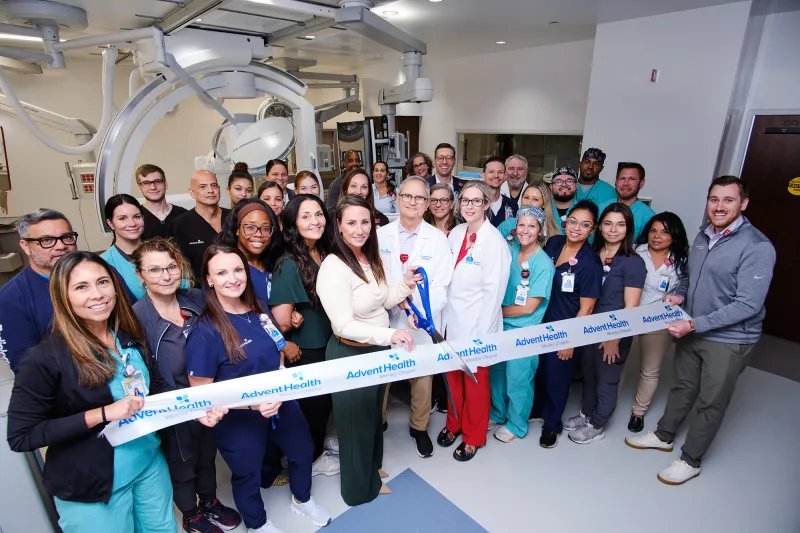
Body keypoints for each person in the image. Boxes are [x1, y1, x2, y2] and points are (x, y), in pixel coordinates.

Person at [6, 251, 200, 533]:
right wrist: (102, 414)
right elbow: (22, 435)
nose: (97, 294)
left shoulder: (129, 333)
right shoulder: (45, 358)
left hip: (148, 464)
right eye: (81, 287)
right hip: (93, 482)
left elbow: (156, 388)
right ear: (63, 296)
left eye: (103, 282)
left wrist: (199, 407)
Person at [626, 176, 776, 486]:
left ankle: (690, 459)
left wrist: (694, 323)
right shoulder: (704, 236)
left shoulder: (757, 246)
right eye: (714, 199)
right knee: (683, 388)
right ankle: (665, 435)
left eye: (728, 200)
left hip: (728, 339)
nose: (719, 207)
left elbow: (748, 305)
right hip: (693, 330)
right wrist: (680, 294)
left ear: (743, 204)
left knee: (711, 401)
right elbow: (688, 279)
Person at [186, 245, 331, 532]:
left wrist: (280, 379)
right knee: (247, 473)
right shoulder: (205, 330)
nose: (233, 278)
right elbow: (201, 394)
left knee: (302, 451)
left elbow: (277, 347)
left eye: (238, 270)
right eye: (222, 272)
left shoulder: (259, 309)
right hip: (238, 416)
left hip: (280, 400)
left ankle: (302, 499)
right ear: (209, 279)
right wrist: (252, 404)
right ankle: (257, 523)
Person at [131, 239, 241, 533]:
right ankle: (191, 515)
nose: (166, 276)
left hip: (207, 396)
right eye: (154, 270)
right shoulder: (135, 318)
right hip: (171, 405)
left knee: (207, 455)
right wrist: (181, 404)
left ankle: (209, 502)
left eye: (171, 267)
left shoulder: (197, 299)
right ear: (140, 275)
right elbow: (139, 373)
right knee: (182, 463)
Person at [316, 195, 420, 506]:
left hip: (375, 353)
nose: (360, 229)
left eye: (365, 222)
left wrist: (405, 284)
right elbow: (344, 325)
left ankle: (372, 474)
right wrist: (392, 334)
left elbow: (383, 299)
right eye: (352, 223)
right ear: (339, 226)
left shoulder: (368, 258)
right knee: (355, 427)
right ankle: (358, 492)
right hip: (350, 354)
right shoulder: (334, 266)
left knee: (372, 420)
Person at [0, 209, 134, 371]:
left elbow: (131, 317)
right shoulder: (11, 298)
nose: (61, 246)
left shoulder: (103, 272)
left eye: (67, 237)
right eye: (47, 240)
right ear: (26, 246)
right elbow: (25, 367)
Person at [378, 176, 453, 457]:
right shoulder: (379, 235)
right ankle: (379, 421)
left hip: (421, 321)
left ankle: (419, 427)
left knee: (422, 378)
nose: (413, 202)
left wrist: (417, 313)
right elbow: (375, 278)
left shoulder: (436, 240)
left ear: (427, 205)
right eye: (408, 196)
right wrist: (396, 302)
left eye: (420, 198)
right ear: (397, 199)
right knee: (380, 375)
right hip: (385, 317)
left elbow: (441, 284)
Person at [438, 181, 511, 461]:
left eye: (476, 201)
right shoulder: (456, 233)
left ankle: (473, 436)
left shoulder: (494, 243)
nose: (469, 206)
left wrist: (482, 337)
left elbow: (494, 295)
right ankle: (454, 424)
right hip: (451, 322)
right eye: (465, 201)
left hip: (477, 326)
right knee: (453, 380)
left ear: (487, 204)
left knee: (476, 384)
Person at [269, 194, 340, 477]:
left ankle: (316, 453)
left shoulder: (323, 252)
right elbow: (283, 321)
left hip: (328, 342)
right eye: (306, 216)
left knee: (323, 406)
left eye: (318, 214)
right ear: (293, 223)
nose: (315, 221)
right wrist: (293, 319)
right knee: (312, 409)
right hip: (306, 350)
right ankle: (308, 461)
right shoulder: (289, 263)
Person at [563, 203, 646, 444]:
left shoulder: (632, 262)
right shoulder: (592, 253)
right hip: (589, 327)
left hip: (613, 332)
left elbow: (631, 308)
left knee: (606, 380)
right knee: (588, 375)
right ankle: (587, 414)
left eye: (620, 224)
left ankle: (597, 425)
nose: (613, 229)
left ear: (628, 228)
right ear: (599, 227)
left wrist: (614, 339)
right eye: (608, 223)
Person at [531, 199, 602, 449]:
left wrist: (571, 340)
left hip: (564, 328)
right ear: (565, 220)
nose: (576, 228)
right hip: (539, 321)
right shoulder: (554, 243)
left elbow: (588, 308)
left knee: (557, 378)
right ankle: (538, 410)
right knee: (539, 371)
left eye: (585, 225)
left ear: (592, 230)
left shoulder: (591, 263)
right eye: (573, 221)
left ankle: (552, 425)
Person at [490, 206, 554, 442]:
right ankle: (498, 413)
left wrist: (494, 312)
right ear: (514, 228)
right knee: (497, 374)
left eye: (531, 226)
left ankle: (517, 425)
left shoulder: (543, 264)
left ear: (539, 230)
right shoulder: (508, 251)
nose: (525, 230)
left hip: (524, 331)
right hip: (500, 327)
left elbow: (528, 307)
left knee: (518, 379)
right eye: (521, 225)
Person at [627, 212, 689, 433]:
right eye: (653, 230)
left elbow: (685, 286)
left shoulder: (681, 259)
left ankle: (638, 412)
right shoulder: (634, 251)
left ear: (674, 235)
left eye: (664, 232)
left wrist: (679, 297)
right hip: (630, 315)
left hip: (659, 319)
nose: (657, 236)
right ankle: (604, 405)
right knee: (616, 364)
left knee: (650, 370)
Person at [216, 199, 283, 308]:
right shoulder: (225, 267)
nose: (258, 234)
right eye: (250, 227)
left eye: (265, 228)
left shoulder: (276, 263)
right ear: (237, 229)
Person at [169, 170, 230, 280]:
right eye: (203, 187)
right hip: (200, 291)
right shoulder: (181, 224)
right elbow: (177, 264)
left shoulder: (233, 217)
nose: (210, 190)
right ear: (192, 193)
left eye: (214, 185)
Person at [100, 194, 148, 299]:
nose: (132, 223)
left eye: (136, 217)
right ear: (111, 223)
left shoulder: (161, 252)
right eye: (122, 218)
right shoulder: (103, 263)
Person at [598, 162, 656, 242]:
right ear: (616, 182)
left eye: (632, 179)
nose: (625, 183)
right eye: (622, 178)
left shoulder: (648, 217)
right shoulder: (600, 208)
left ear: (641, 183)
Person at [136, 164, 188, 241]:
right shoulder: (135, 218)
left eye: (157, 181)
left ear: (165, 184)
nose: (153, 187)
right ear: (139, 188)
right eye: (146, 183)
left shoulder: (183, 215)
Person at [482, 156, 518, 227]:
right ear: (483, 175)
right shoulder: (474, 204)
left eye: (500, 172)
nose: (496, 175)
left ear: (505, 176)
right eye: (491, 172)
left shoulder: (512, 206)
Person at [549, 167, 578, 232]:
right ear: (551, 187)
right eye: (558, 181)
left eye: (570, 181)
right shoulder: (543, 209)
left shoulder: (585, 211)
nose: (564, 184)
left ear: (576, 186)